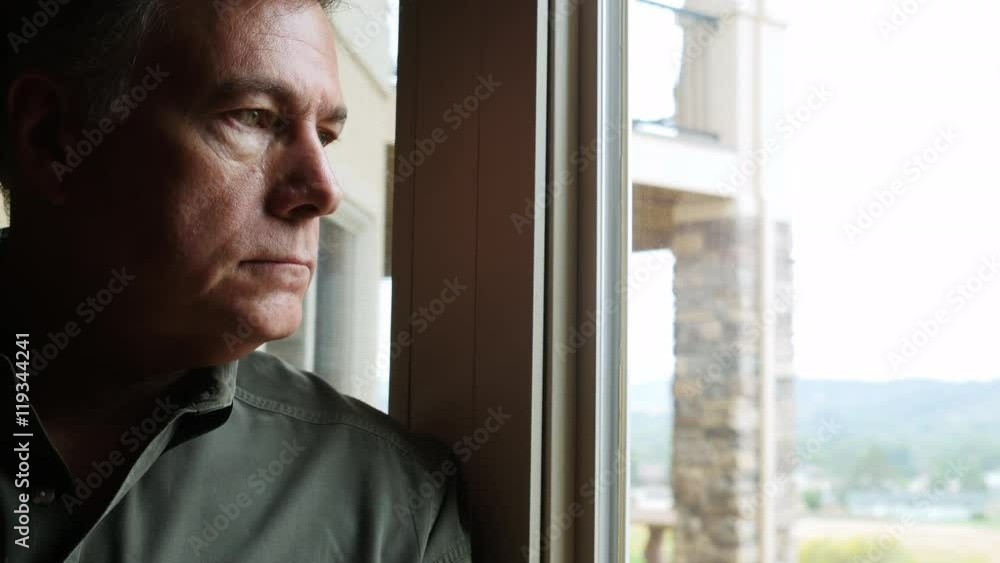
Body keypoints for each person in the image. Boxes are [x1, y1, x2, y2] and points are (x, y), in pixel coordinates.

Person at [0, 0, 472, 561]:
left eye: (325, 136)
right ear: (54, 137)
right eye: (252, 116)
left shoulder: (396, 507)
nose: (325, 190)